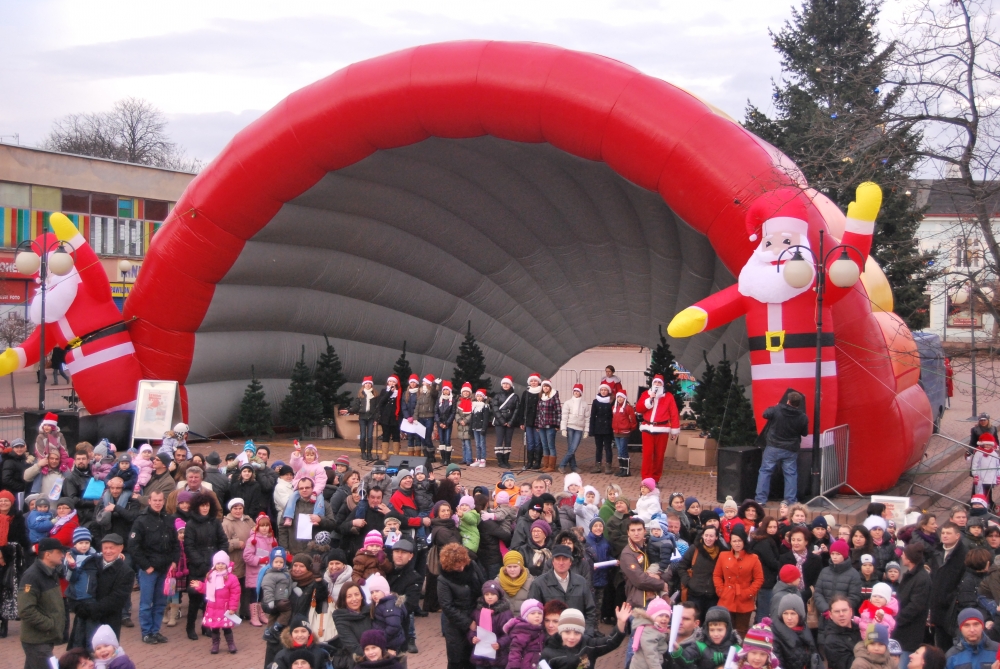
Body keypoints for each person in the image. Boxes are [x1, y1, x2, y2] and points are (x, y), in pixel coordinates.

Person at [127, 490, 179, 644]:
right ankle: (146, 632)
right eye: (155, 500)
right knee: (146, 603)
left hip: (166, 569)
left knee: (161, 603)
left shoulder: (169, 519)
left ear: (164, 501)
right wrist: (146, 566)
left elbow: (175, 543)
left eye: (160, 500)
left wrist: (174, 561)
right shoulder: (141, 520)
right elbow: (133, 547)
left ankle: (155, 631)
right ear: (149, 501)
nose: (157, 503)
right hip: (149, 570)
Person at [67, 533, 133, 650]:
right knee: (79, 653)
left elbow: (117, 598)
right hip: (83, 617)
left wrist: (92, 609)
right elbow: (76, 583)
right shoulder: (91, 562)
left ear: (120, 548)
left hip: (107, 621)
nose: (108, 551)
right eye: (105, 548)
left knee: (102, 655)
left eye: (111, 548)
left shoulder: (126, 572)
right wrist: (77, 606)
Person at [18, 538, 67, 669]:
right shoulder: (32, 576)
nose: (62, 555)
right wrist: (49, 624)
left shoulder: (51, 573)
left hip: (44, 638)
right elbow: (25, 610)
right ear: (47, 554)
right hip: (37, 640)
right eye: (59, 552)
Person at [184, 492, 227, 640]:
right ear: (197, 507)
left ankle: (206, 626)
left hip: (214, 566)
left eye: (207, 505)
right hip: (198, 567)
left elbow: (223, 541)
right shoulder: (191, 524)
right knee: (195, 599)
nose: (205, 508)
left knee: (210, 599)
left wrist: (220, 561)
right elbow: (189, 547)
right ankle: (190, 627)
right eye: (202, 505)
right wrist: (201, 563)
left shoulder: (215, 522)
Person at [754, 392, 809, 505]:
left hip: (773, 447)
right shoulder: (802, 417)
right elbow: (804, 433)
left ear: (788, 401)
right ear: (799, 404)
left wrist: (775, 406)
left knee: (765, 472)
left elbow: (765, 414)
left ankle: (760, 500)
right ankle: (790, 500)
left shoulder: (777, 409)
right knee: (790, 474)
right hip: (791, 449)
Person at [537, 605, 631, 669]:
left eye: (577, 633)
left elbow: (610, 642)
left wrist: (621, 622)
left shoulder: (588, 644)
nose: (572, 637)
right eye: (567, 632)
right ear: (560, 631)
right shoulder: (548, 653)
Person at [438, 543, 486, 669]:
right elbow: (447, 606)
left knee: (475, 659)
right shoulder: (443, 579)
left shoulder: (472, 566)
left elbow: (483, 586)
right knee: (457, 660)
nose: (461, 568)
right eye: (457, 566)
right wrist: (468, 623)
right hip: (455, 626)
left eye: (463, 564)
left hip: (475, 616)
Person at [713, 524, 764, 636]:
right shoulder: (723, 556)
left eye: (739, 541)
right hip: (726, 598)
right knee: (725, 631)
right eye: (734, 541)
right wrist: (721, 590)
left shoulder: (753, 558)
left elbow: (759, 579)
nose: (737, 543)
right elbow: (717, 575)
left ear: (744, 541)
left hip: (744, 600)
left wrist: (749, 593)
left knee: (741, 632)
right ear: (730, 542)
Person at [192, 550, 241, 654]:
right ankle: (215, 645)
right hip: (213, 608)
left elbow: (235, 594)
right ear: (214, 564)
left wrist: (232, 607)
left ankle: (231, 644)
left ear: (227, 564)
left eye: (223, 563)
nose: (220, 566)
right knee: (214, 628)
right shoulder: (210, 576)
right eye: (218, 563)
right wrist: (200, 586)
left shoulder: (232, 578)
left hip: (225, 608)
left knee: (227, 628)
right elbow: (207, 589)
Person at [634, 374, 680, 484]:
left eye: (659, 382)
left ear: (662, 385)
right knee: (647, 455)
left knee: (659, 456)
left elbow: (674, 413)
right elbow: (639, 409)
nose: (657, 384)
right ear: (652, 383)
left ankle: (655, 479)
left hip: (662, 429)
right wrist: (649, 400)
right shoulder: (646, 394)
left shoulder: (668, 397)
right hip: (647, 428)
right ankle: (646, 479)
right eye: (655, 382)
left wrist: (674, 430)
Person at [930, 522, 969, 651]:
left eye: (948, 533)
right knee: (940, 646)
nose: (945, 536)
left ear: (957, 536)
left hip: (953, 609)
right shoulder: (936, 552)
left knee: (953, 648)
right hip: (937, 608)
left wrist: (951, 598)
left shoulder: (964, 555)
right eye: (943, 533)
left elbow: (963, 581)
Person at [893, 544, 932, 669]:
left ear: (909, 558)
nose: (901, 556)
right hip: (901, 631)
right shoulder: (911, 575)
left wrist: (896, 619)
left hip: (910, 632)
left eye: (904, 554)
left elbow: (915, 606)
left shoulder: (921, 578)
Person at [620, 516, 669, 607]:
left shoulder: (652, 546)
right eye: (633, 530)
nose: (636, 533)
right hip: (638, 601)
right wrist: (661, 584)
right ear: (628, 533)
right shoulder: (627, 554)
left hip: (658, 598)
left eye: (639, 530)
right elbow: (640, 580)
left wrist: (659, 576)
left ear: (645, 531)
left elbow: (668, 567)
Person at [678, 525, 722, 620]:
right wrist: (688, 582)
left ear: (716, 537)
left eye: (711, 536)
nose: (708, 538)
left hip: (713, 595)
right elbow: (681, 566)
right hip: (695, 594)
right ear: (702, 535)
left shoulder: (721, 552)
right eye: (706, 535)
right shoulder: (695, 549)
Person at [814, 539, 863, 615]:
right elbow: (818, 593)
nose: (834, 557)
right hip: (825, 615)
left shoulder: (853, 574)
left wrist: (839, 610)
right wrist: (825, 609)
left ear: (844, 555)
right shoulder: (824, 571)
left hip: (844, 615)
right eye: (832, 554)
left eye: (838, 554)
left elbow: (854, 597)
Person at [771, 593, 817, 669]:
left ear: (800, 615)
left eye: (793, 613)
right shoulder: (775, 636)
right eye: (785, 613)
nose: (789, 618)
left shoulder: (804, 629)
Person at [820, 595, 863, 669]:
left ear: (851, 611)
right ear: (831, 615)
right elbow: (850, 665)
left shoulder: (860, 629)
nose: (841, 614)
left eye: (844, 610)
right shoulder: (831, 641)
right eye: (837, 611)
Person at [628, 597, 671, 669]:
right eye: (660, 615)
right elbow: (651, 655)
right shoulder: (649, 632)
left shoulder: (657, 628)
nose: (664, 618)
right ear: (652, 617)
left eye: (667, 616)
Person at [505, 599, 546, 669]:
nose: (537, 616)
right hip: (525, 664)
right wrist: (514, 666)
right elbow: (515, 650)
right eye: (533, 613)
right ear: (525, 616)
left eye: (540, 613)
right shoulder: (522, 630)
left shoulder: (541, 629)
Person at [514, 373, 543, 472]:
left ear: (538, 382)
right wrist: (521, 422)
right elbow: (522, 407)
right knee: (530, 442)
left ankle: (537, 462)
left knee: (537, 442)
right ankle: (529, 462)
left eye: (535, 381)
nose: (533, 383)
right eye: (532, 381)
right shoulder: (526, 393)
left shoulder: (541, 392)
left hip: (538, 421)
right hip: (528, 421)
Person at [559, 383, 589, 474]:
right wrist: (563, 429)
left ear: (581, 393)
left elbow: (587, 418)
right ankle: (573, 466)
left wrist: (586, 430)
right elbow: (564, 416)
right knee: (571, 448)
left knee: (573, 448)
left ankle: (563, 464)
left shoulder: (585, 404)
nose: (576, 392)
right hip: (570, 427)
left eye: (578, 391)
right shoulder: (568, 403)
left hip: (579, 428)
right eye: (575, 391)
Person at [492, 376, 519, 469]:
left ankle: (506, 461)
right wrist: (503, 421)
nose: (505, 385)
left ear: (510, 385)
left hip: (510, 422)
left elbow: (516, 410)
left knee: (508, 441)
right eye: (504, 383)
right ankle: (500, 461)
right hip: (499, 422)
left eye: (507, 383)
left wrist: (511, 421)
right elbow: (495, 409)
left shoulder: (515, 396)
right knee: (499, 441)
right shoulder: (497, 396)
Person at [350, 376, 380, 461]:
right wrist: (348, 410)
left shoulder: (375, 395)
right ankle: (363, 453)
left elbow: (377, 409)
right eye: (366, 383)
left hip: (371, 417)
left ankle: (369, 453)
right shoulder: (360, 395)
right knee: (363, 435)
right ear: (364, 384)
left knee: (370, 436)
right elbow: (356, 407)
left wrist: (376, 419)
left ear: (371, 385)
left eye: (369, 383)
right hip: (362, 417)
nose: (368, 385)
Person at [373, 375, 402, 462]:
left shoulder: (400, 392)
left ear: (396, 383)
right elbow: (381, 402)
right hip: (385, 417)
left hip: (395, 417)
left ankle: (396, 453)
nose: (391, 383)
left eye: (393, 382)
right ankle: (384, 454)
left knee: (396, 435)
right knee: (386, 435)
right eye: (390, 381)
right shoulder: (384, 391)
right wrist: (389, 392)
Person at [589, 382, 615, 474]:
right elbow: (592, 416)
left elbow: (613, 416)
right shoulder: (595, 401)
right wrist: (591, 429)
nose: (603, 391)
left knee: (608, 447)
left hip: (608, 428)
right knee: (598, 448)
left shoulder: (612, 401)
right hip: (598, 428)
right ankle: (598, 465)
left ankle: (608, 465)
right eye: (602, 390)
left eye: (605, 390)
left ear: (608, 391)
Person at [611, 390, 638, 477]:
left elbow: (633, 420)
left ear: (625, 398)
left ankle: (626, 470)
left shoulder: (628, 408)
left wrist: (629, 428)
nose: (619, 399)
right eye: (618, 397)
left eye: (621, 397)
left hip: (624, 432)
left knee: (623, 450)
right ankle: (622, 469)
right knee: (619, 451)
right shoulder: (614, 408)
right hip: (616, 432)